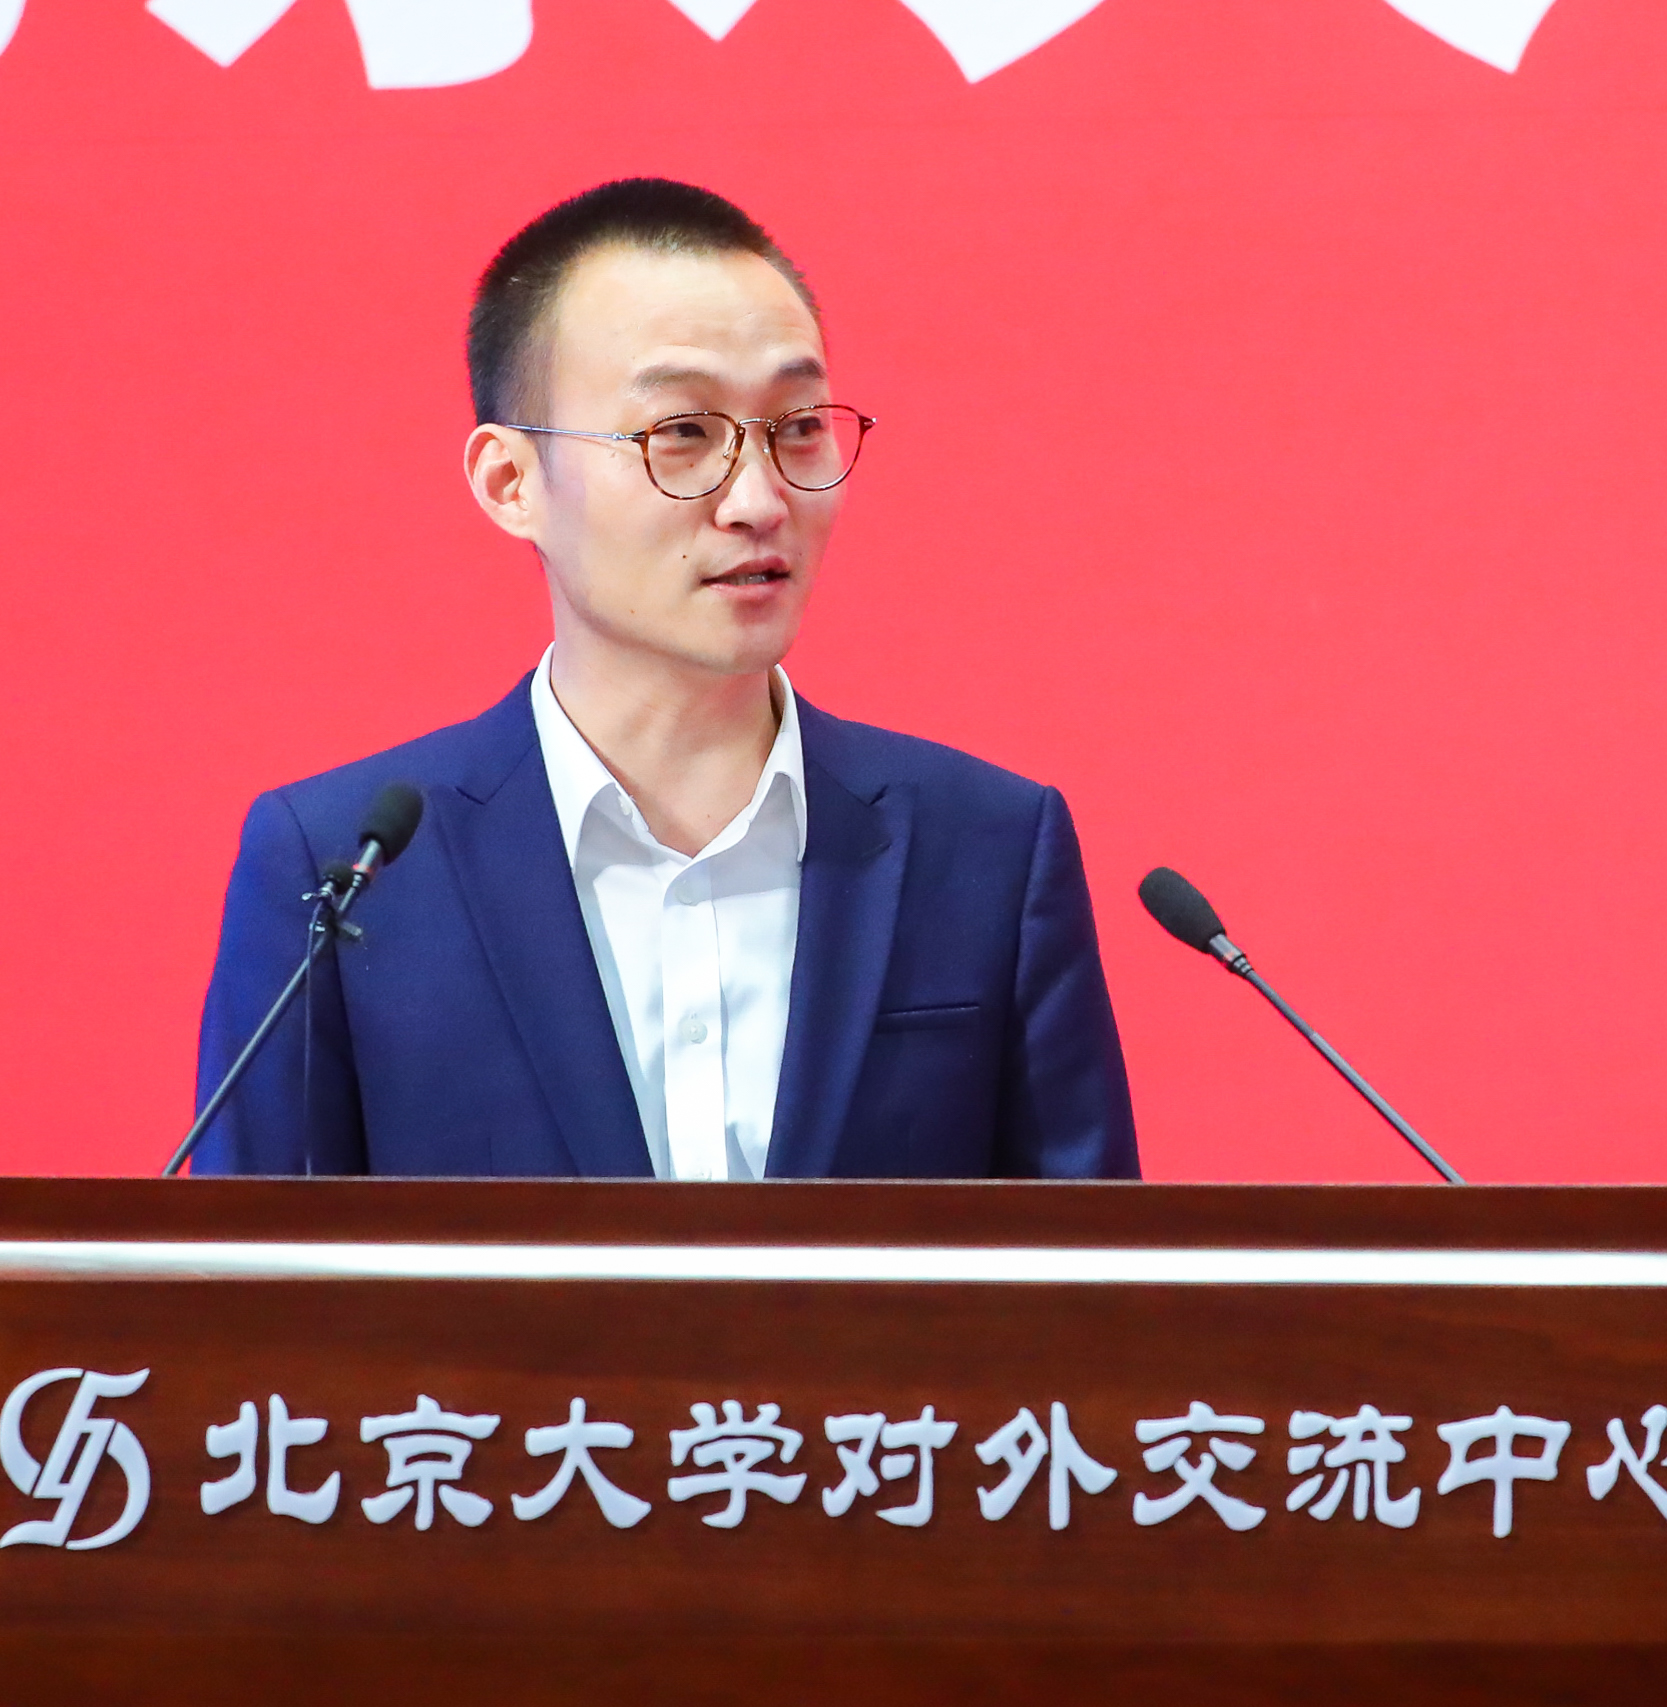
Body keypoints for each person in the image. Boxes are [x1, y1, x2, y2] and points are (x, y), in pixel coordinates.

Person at [192, 178, 1136, 1179]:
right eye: (682, 433)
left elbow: (1085, 1264)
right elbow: (256, 1267)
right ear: (510, 482)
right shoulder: (345, 867)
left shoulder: (986, 849)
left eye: (798, 426)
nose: (758, 500)